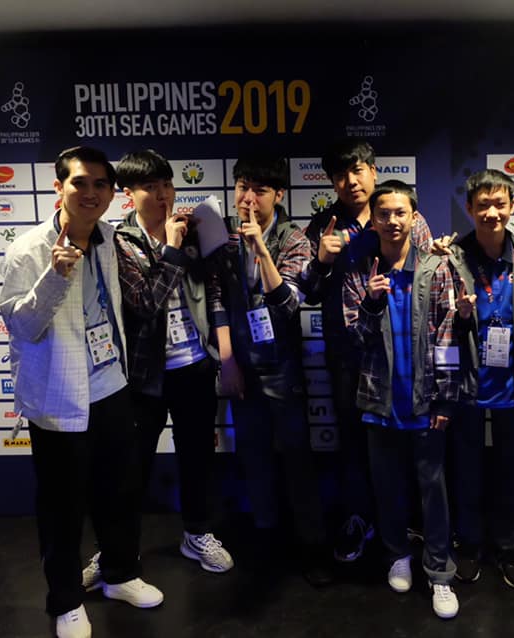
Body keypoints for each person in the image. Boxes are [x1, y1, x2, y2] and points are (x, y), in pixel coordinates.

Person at [0, 146, 163, 638]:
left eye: (100, 184)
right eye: (80, 183)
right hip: (58, 399)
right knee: (62, 508)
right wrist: (55, 276)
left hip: (111, 386)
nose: (90, 193)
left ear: (111, 194)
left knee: (120, 492)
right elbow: (21, 326)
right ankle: (66, 601)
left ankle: (121, 574)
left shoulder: (110, 239)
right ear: (59, 188)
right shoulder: (28, 249)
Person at [89, 150, 231, 580]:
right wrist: (171, 248)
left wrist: (214, 240)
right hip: (143, 375)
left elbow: (216, 290)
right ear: (128, 195)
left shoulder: (192, 232)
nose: (163, 194)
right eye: (150, 187)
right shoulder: (117, 242)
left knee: (197, 459)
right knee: (131, 469)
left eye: (167, 184)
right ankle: (116, 552)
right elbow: (145, 302)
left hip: (194, 366)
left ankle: (197, 533)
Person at [300, 139, 432, 562]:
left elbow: (432, 276)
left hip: (403, 352)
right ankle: (359, 519)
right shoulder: (322, 225)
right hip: (348, 353)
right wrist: (321, 262)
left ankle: (408, 521)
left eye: (358, 170)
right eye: (340, 175)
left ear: (373, 171)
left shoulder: (406, 215)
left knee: (406, 438)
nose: (351, 181)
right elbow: (308, 292)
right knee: (355, 443)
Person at [205, 155, 333, 586]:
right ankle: (265, 541)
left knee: (297, 458)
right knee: (254, 457)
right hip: (241, 362)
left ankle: (312, 546)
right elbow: (217, 299)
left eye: (259, 190)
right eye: (243, 187)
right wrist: (227, 362)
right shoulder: (222, 234)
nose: (248, 198)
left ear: (278, 194)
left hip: (282, 366)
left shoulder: (292, 237)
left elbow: (288, 305)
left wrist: (261, 248)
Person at [343, 180, 463, 619]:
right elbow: (355, 338)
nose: (392, 221)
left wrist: (445, 401)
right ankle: (397, 555)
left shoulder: (437, 267)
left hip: (426, 401)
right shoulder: (359, 271)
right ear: (373, 220)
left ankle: (440, 571)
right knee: (387, 486)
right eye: (384, 214)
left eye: (400, 213)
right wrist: (372, 303)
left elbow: (449, 338)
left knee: (433, 489)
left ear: (414, 217)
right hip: (380, 401)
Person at [445, 169, 514, 589]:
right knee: (466, 470)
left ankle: (508, 548)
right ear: (469, 208)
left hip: (511, 384)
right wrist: (460, 315)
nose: (491, 213)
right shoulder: (451, 257)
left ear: (512, 206)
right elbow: (436, 323)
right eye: (482, 205)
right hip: (468, 382)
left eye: (499, 203)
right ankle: (469, 546)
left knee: (511, 471)